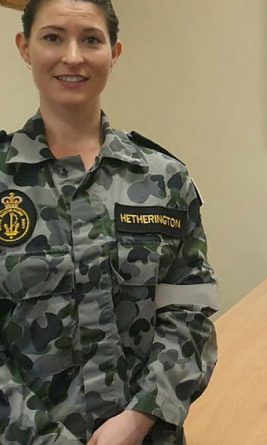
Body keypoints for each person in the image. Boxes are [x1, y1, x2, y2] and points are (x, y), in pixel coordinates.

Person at [0, 0, 218, 443]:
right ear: (25, 48)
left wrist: (139, 417)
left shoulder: (163, 178)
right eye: (53, 37)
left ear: (114, 53)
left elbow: (190, 310)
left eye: (92, 39)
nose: (73, 56)